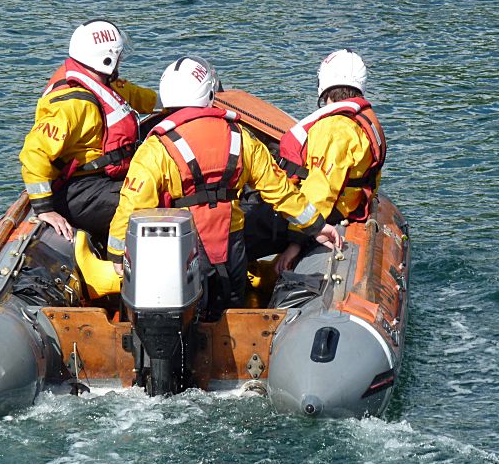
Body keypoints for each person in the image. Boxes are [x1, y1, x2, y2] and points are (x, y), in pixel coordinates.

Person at [107, 56, 341, 319]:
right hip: (232, 247)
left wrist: (117, 255)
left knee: (189, 316)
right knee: (230, 312)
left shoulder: (156, 148)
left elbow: (132, 204)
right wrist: (318, 227)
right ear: (209, 92)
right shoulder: (240, 137)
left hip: (181, 252)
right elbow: (281, 190)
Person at [19, 19, 158, 243]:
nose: (121, 60)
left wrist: (179, 100)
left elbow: (136, 95)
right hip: (79, 191)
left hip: (99, 180)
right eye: (118, 55)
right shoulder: (73, 105)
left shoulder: (101, 83)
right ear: (106, 59)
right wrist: (44, 208)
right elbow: (34, 153)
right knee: (148, 202)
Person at [274, 49, 386, 273]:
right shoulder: (361, 118)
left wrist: (295, 243)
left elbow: (320, 189)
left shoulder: (334, 128)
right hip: (347, 206)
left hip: (326, 215)